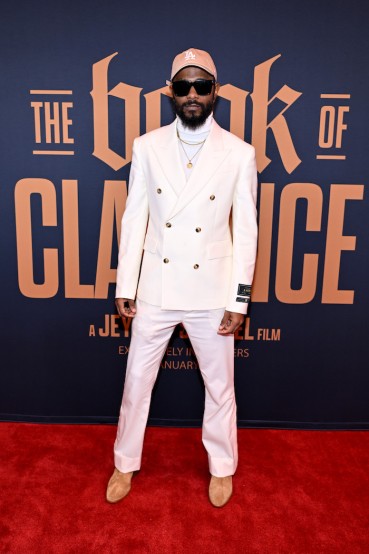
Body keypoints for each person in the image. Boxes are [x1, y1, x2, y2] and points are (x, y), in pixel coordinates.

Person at [106, 48, 258, 508]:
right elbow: (135, 220)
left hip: (212, 291)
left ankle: (222, 468)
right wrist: (126, 286)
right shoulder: (146, 146)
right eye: (184, 86)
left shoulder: (239, 153)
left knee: (220, 386)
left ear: (216, 92)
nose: (193, 95)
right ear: (170, 91)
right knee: (136, 382)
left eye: (203, 86)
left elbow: (247, 232)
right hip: (156, 286)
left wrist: (240, 300)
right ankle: (124, 462)